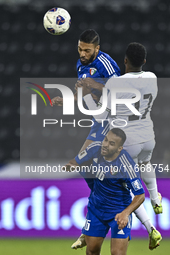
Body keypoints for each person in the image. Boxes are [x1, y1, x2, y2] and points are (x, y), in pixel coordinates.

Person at [79, 42, 162, 250]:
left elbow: (99, 114)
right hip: (148, 137)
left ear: (124, 61)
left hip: (128, 139)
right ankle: (156, 198)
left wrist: (88, 96)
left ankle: (151, 227)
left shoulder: (116, 83)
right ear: (144, 61)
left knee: (127, 188)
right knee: (146, 163)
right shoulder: (152, 78)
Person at [65, 128, 145, 255]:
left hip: (118, 212)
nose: (105, 145)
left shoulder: (126, 165)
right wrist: (71, 165)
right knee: (92, 251)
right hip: (96, 210)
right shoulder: (95, 148)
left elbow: (140, 195)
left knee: (117, 253)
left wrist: (125, 213)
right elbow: (75, 162)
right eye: (106, 140)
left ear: (120, 148)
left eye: (112, 143)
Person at [52, 29, 120, 152]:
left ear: (97, 49)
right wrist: (66, 100)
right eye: (80, 49)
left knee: (86, 159)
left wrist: (95, 85)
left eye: (87, 51)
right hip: (97, 116)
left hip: (112, 119)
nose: (82, 54)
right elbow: (82, 92)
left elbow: (119, 91)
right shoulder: (80, 64)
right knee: (86, 162)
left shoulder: (104, 63)